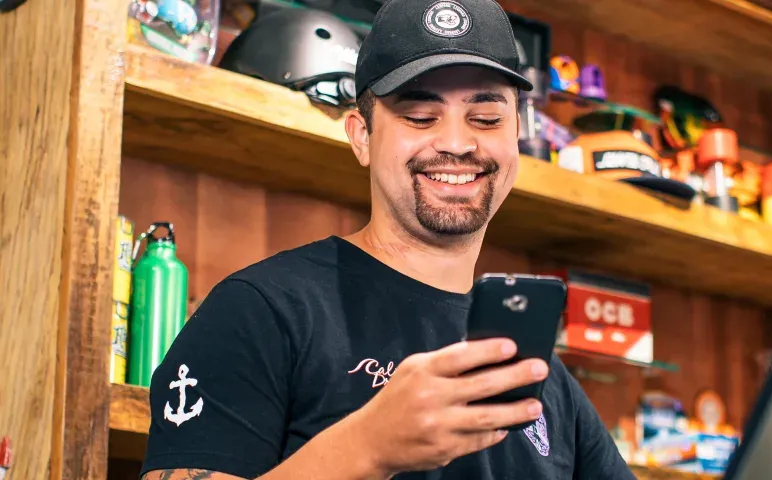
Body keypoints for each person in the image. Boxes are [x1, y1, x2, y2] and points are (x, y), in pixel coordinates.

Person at [138, 0, 635, 478]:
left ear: (516, 137)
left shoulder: (538, 377)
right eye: (420, 116)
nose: (458, 143)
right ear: (361, 137)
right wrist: (367, 448)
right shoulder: (260, 311)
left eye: (486, 118)